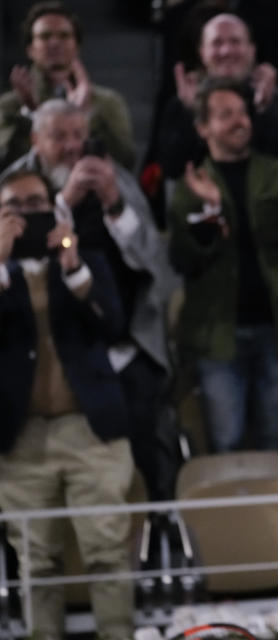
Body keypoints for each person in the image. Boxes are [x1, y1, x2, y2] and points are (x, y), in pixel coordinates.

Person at [1, 98, 179, 499]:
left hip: (121, 347)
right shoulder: (16, 185)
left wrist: (114, 202)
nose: (72, 146)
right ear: (35, 139)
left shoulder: (115, 180)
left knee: (145, 469)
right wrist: (61, 202)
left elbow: (154, 261)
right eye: (59, 136)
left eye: (79, 135)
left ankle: (152, 550)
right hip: (40, 357)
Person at [0, 168, 135, 640]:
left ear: (54, 208)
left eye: (37, 203)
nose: (27, 214)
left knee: (108, 551)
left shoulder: (86, 259)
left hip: (90, 430)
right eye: (13, 206)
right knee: (35, 560)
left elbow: (113, 325)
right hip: (20, 440)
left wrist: (73, 268)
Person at [167, 78, 278, 453]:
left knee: (276, 439)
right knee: (226, 440)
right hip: (218, 334)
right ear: (203, 128)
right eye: (225, 114)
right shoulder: (191, 185)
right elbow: (183, 259)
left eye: (242, 113)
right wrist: (212, 213)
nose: (239, 121)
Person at [155, 12, 278, 183]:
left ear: (252, 50)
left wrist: (266, 110)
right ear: (201, 52)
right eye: (217, 43)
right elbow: (172, 169)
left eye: (235, 42)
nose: (226, 51)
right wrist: (193, 113)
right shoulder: (181, 104)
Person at [0, 1, 136, 172]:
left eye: (64, 36)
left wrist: (85, 117)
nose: (55, 43)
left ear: (77, 46)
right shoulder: (10, 105)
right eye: (45, 36)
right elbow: (4, 163)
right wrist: (31, 115)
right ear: (30, 49)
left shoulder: (107, 101)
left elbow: (125, 160)